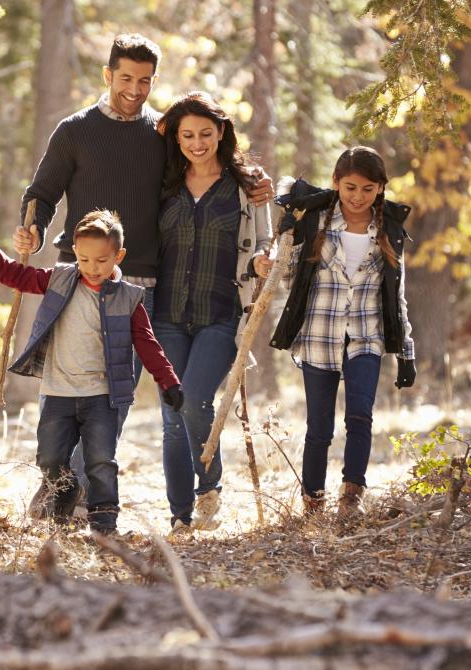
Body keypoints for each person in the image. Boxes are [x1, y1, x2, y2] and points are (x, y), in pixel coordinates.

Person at [14, 34, 272, 519]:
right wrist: (31, 227)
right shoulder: (74, 130)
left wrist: (257, 184)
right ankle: (61, 484)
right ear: (108, 75)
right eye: (126, 78)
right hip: (80, 280)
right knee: (73, 389)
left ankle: (72, 490)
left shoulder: (161, 135)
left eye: (145, 80)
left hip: (143, 289)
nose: (135, 89)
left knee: (117, 395)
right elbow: (42, 193)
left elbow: (209, 169)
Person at [0, 211, 184, 535]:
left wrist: (168, 380)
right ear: (75, 254)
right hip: (58, 393)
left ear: (118, 256)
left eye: (101, 260)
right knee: (49, 458)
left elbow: (147, 343)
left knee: (100, 462)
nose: (92, 267)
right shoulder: (61, 279)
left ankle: (104, 524)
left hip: (102, 397)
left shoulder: (128, 297)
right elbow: (19, 277)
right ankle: (66, 491)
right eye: (84, 259)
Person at [268, 146, 417, 520]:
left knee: (360, 417)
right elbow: (287, 279)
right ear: (336, 183)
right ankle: (312, 501)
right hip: (319, 335)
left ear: (381, 188)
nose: (358, 196)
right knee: (319, 427)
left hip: (366, 336)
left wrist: (406, 351)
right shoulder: (316, 221)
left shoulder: (389, 230)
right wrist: (286, 241)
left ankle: (352, 495)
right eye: (350, 187)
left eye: (368, 188)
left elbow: (396, 293)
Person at [151, 92, 272, 534]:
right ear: (177, 139)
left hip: (221, 314)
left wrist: (263, 260)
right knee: (171, 415)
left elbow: (266, 241)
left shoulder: (247, 186)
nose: (197, 143)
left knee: (196, 400)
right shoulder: (163, 182)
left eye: (205, 133)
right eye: (188, 135)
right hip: (165, 315)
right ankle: (179, 516)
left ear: (221, 132)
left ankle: (209, 485)